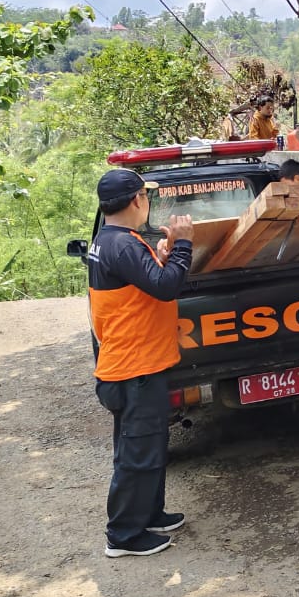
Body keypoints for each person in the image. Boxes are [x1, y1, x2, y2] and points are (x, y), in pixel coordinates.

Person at [88, 168, 194, 557]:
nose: (147, 202)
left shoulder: (113, 240)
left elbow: (145, 281)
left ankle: (150, 513)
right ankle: (124, 536)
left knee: (148, 447)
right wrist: (182, 246)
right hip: (134, 370)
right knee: (137, 455)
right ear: (137, 200)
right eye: (146, 196)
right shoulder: (124, 245)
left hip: (137, 364)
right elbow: (166, 287)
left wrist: (163, 255)